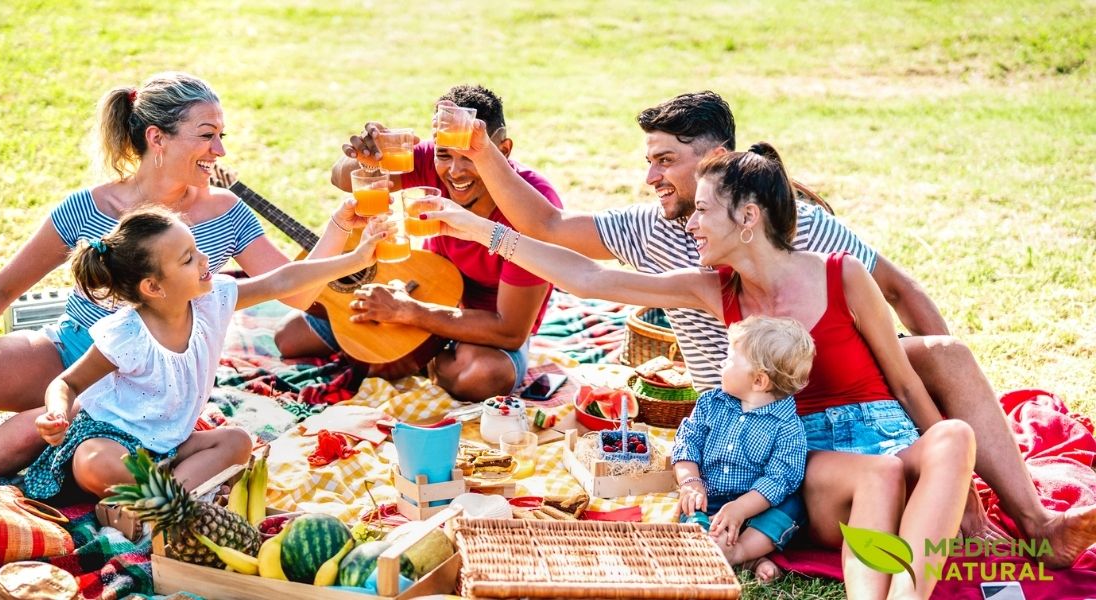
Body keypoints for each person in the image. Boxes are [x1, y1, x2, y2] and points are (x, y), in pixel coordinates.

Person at [439, 90, 1096, 567]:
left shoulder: (807, 238)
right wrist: (477, 215)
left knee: (945, 359)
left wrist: (954, 446)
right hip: (767, 413)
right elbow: (575, 262)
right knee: (883, 469)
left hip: (856, 390)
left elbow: (899, 297)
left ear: (729, 180)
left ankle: (1032, 519)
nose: (651, 178)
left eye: (666, 162)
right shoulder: (683, 258)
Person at [426, 143, 975, 599]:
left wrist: (960, 490)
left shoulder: (844, 274)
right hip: (830, 474)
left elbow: (903, 380)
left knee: (954, 435)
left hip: (893, 442)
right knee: (878, 473)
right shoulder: (713, 289)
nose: (691, 224)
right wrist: (483, 232)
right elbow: (589, 280)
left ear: (749, 217)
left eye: (704, 210)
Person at [0, 72, 371, 484]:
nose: (220, 151)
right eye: (207, 135)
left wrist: (339, 229)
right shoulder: (89, 206)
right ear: (156, 138)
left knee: (28, 428)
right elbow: (4, 288)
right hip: (72, 349)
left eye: (221, 135)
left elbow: (297, 290)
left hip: (144, 385)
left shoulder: (227, 214)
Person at [21, 207, 385, 498]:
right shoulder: (127, 335)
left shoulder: (213, 301)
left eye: (196, 250)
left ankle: (160, 505)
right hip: (112, 441)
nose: (204, 259)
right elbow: (67, 383)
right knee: (95, 463)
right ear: (153, 287)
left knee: (237, 442)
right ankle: (180, 498)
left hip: (170, 447)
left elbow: (282, 280)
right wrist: (56, 412)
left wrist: (355, 260)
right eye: (187, 259)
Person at [272, 84, 560, 402]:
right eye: (445, 155)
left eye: (470, 157)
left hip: (482, 327)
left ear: (502, 150)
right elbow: (342, 179)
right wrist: (366, 160)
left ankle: (416, 359)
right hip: (422, 284)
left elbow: (511, 330)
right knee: (289, 338)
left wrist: (408, 312)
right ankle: (399, 352)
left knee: (484, 377)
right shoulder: (426, 159)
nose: (455, 170)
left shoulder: (532, 207)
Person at [673, 315, 814, 583]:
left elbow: (779, 479)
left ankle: (740, 552)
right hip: (710, 495)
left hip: (757, 504)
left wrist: (740, 508)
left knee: (792, 507)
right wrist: (690, 481)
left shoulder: (788, 427)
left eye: (729, 359)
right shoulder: (710, 403)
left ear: (759, 381)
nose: (721, 364)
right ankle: (709, 538)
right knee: (691, 506)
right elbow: (687, 442)